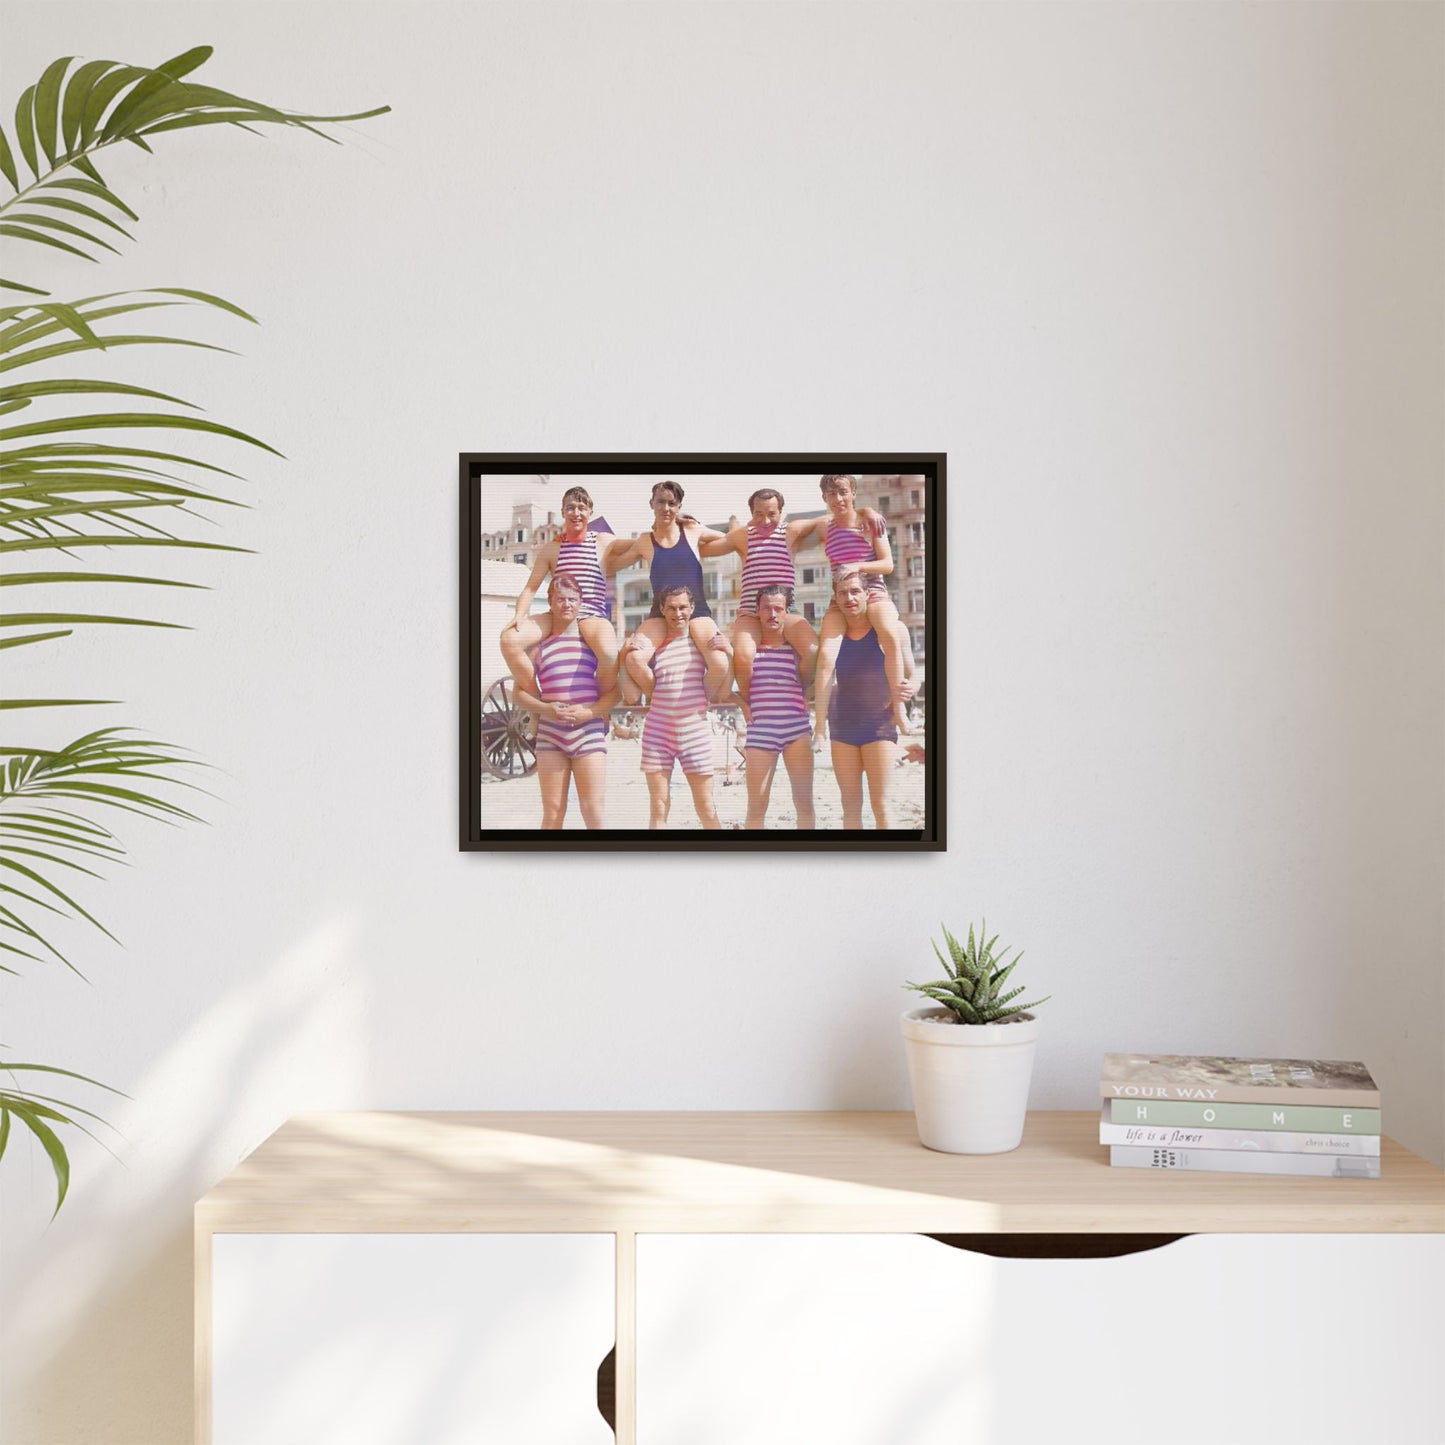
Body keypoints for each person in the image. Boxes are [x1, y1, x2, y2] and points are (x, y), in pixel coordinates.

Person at [699, 485, 857, 687]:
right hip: (751, 613)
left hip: (786, 611)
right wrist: (696, 528)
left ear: (781, 513)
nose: (765, 521)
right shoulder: (743, 536)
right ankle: (749, 703)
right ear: (751, 514)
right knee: (745, 656)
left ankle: (798, 692)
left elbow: (826, 520)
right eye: (759, 514)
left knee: (812, 651)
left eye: (771, 514)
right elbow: (707, 550)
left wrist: (867, 514)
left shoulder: (790, 531)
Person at [500, 485, 635, 698]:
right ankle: (537, 699)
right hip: (558, 614)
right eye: (570, 508)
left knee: (609, 653)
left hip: (590, 614)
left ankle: (599, 702)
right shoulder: (552, 549)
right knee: (509, 640)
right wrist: (519, 615)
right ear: (563, 512)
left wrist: (669, 529)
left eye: (581, 507)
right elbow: (530, 588)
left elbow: (637, 545)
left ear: (590, 511)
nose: (576, 513)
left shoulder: (602, 541)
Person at [806, 473, 915, 735]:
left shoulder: (868, 522)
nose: (838, 498)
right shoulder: (825, 527)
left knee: (889, 635)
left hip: (873, 591)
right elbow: (794, 530)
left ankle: (899, 711)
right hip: (839, 599)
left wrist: (856, 565)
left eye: (843, 492)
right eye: (831, 494)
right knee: (825, 657)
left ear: (853, 493)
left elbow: (887, 564)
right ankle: (820, 726)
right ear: (824, 498)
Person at [511, 573, 618, 829]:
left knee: (592, 810)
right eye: (560, 599)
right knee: (553, 811)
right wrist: (546, 709)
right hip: (551, 735)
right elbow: (518, 693)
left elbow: (615, 693)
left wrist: (589, 713)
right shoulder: (537, 647)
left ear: (580, 602)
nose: (566, 604)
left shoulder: (592, 644)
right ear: (550, 602)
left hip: (588, 732)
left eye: (572, 599)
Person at [813, 567, 916, 830]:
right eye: (843, 593)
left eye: (855, 591)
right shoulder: (833, 637)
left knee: (881, 805)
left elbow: (914, 675)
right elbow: (823, 673)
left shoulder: (893, 630)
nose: (850, 598)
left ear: (868, 594)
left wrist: (908, 689)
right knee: (849, 807)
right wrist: (820, 727)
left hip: (879, 726)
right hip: (842, 728)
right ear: (835, 599)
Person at [615, 480, 732, 702]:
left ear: (679, 507)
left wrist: (695, 531)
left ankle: (697, 702)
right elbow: (613, 565)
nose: (666, 508)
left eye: (672, 503)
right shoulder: (644, 541)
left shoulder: (692, 531)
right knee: (633, 659)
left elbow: (726, 538)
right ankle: (661, 701)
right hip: (660, 614)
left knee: (719, 661)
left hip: (697, 612)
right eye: (661, 502)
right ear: (652, 503)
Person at [628, 583, 720, 829]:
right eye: (671, 608)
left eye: (682, 607)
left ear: (692, 608)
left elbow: (720, 677)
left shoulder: (701, 645)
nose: (677, 614)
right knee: (658, 806)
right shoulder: (654, 647)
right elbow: (631, 687)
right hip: (658, 733)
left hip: (694, 732)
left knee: (706, 806)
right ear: (662, 609)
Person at [739, 584, 817, 829]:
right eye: (766, 608)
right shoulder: (746, 652)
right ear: (758, 611)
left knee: (804, 804)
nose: (772, 614)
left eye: (778, 609)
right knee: (756, 807)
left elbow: (813, 683)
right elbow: (722, 692)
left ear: (786, 612)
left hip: (797, 730)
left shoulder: (797, 651)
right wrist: (741, 703)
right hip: (761, 732)